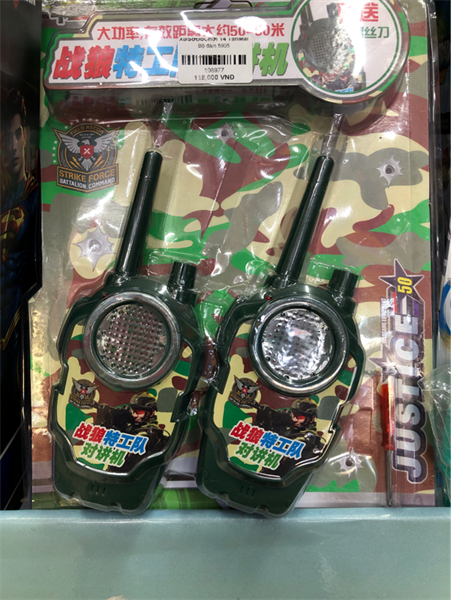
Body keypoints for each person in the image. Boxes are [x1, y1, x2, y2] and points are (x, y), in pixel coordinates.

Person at [0, 89, 38, 439]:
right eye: (5, 137)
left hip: (23, 323)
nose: (12, 146)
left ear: (25, 136)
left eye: (16, 135)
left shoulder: (36, 195)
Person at [93, 392, 169, 471]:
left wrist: (112, 427)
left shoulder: (150, 432)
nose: (134, 415)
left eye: (139, 412)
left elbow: (123, 456)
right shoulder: (133, 427)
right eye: (133, 411)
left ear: (151, 413)